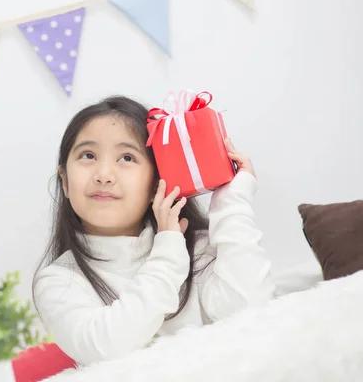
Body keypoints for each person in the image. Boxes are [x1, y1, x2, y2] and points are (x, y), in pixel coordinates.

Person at [32, 95, 276, 366]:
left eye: (126, 157)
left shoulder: (199, 249)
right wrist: (167, 253)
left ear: (156, 182)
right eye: (88, 155)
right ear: (64, 181)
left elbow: (251, 313)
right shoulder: (58, 280)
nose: (104, 174)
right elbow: (105, 346)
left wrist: (232, 203)